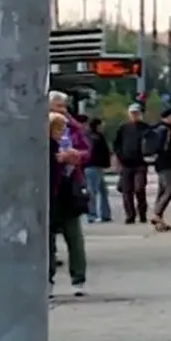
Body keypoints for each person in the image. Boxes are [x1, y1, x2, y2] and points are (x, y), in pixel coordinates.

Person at [48, 112, 88, 298]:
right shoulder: (44, 146)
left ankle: (78, 279)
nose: (62, 132)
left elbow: (86, 153)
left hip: (68, 197)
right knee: (48, 244)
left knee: (75, 240)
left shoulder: (71, 137)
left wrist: (75, 157)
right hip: (50, 199)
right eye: (58, 128)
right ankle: (47, 279)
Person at [112, 103, 152, 223]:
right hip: (126, 164)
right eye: (132, 113)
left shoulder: (146, 128)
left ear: (140, 114)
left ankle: (142, 213)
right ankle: (130, 215)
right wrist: (120, 156)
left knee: (139, 188)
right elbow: (117, 144)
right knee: (126, 191)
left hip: (140, 163)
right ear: (129, 114)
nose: (134, 115)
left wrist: (148, 155)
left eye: (137, 113)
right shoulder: (123, 128)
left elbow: (151, 143)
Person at [151, 108, 171, 230]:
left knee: (162, 191)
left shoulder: (158, 129)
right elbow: (167, 150)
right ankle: (157, 214)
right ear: (169, 117)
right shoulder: (165, 130)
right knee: (170, 190)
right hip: (167, 165)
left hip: (161, 164)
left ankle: (159, 221)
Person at [84, 117, 112, 223]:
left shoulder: (92, 136)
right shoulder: (96, 138)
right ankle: (92, 214)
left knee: (102, 190)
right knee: (93, 191)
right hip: (93, 166)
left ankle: (104, 214)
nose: (103, 127)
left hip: (95, 166)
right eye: (102, 125)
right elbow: (100, 153)